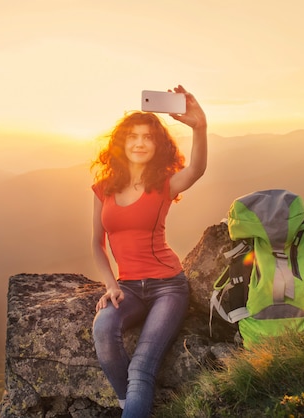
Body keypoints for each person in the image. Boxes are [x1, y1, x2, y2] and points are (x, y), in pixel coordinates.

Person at [90, 85, 207, 417]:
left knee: (142, 365)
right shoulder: (104, 188)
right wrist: (111, 286)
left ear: (158, 146)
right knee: (102, 328)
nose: (140, 142)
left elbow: (196, 170)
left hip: (168, 287)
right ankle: (130, 403)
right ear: (121, 143)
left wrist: (200, 127)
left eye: (148, 137)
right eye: (133, 136)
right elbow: (96, 244)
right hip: (127, 288)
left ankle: (134, 404)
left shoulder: (164, 184)